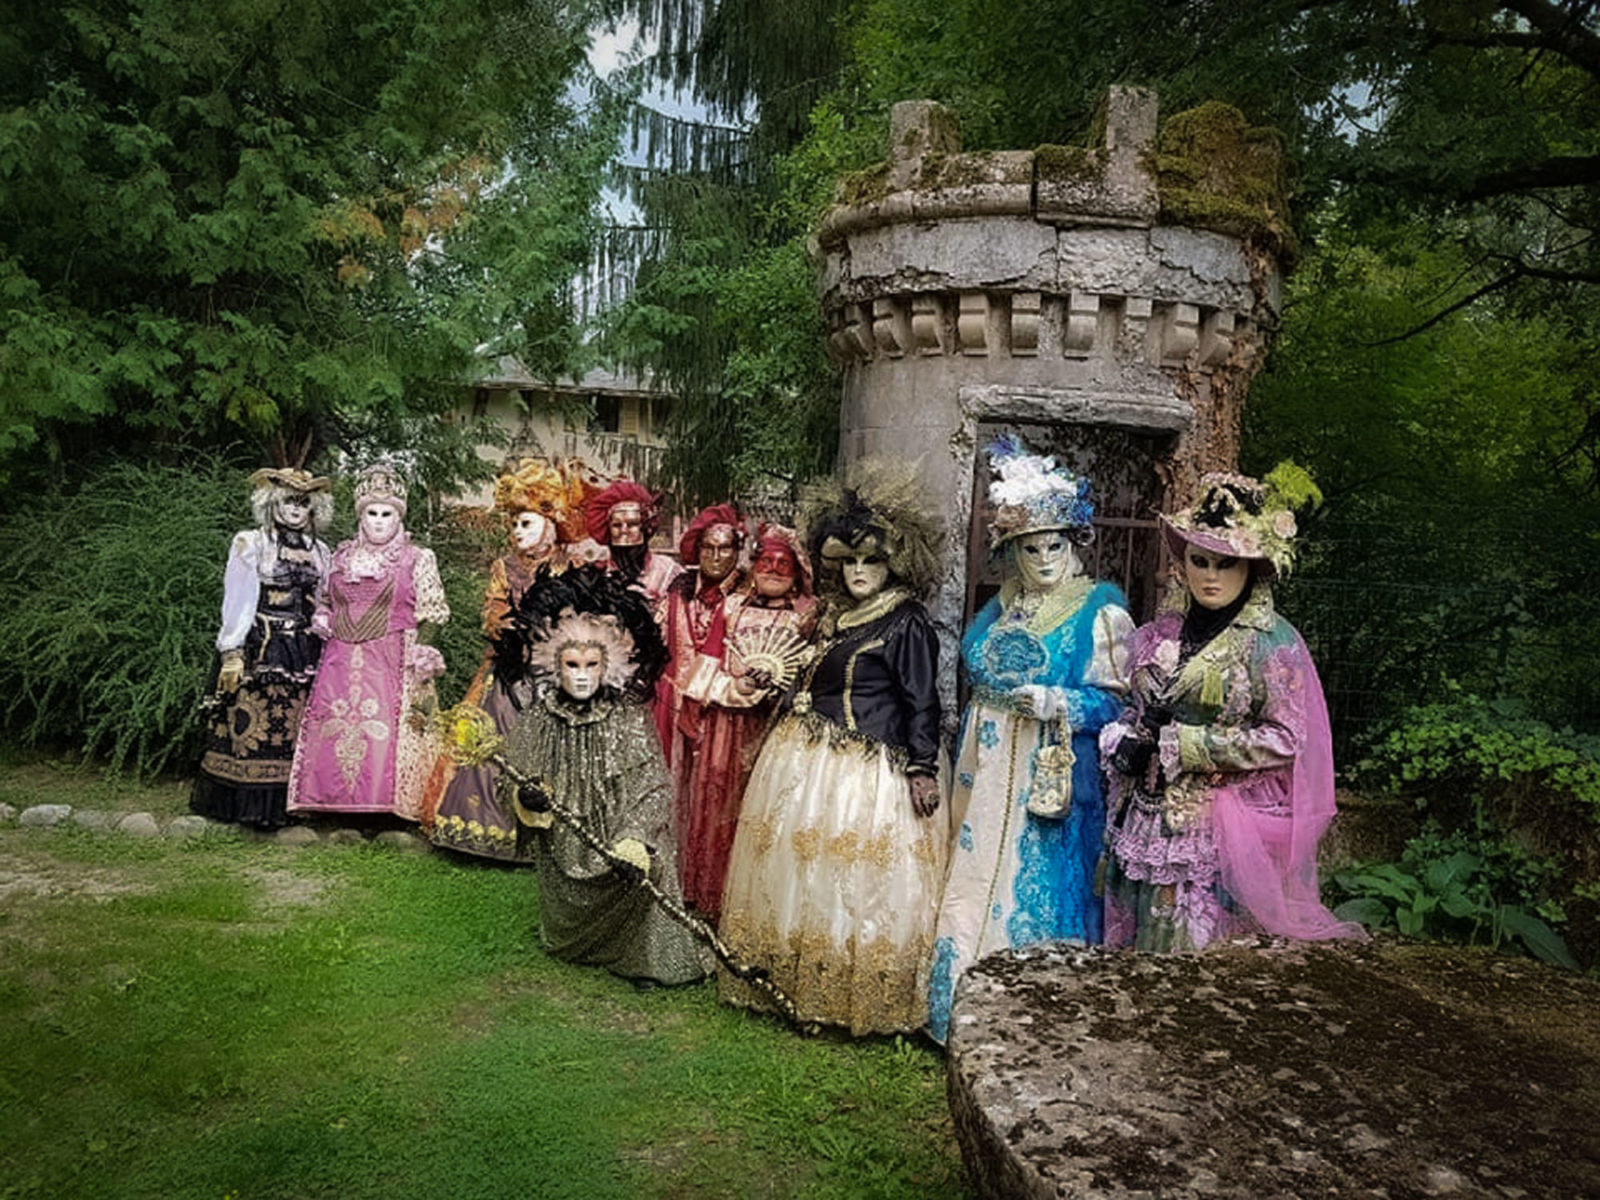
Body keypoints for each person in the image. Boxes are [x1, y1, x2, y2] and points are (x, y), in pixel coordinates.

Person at [1100, 467, 1366, 952]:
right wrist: (1125, 738)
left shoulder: (1271, 642)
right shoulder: (1161, 631)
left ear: (1251, 568)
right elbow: (1137, 707)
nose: (1210, 575)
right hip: (1145, 817)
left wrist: (1191, 745)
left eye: (1226, 564)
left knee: (1201, 954)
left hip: (1220, 829)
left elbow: (1288, 738)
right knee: (1137, 957)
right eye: (1200, 561)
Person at [719, 465, 946, 1035]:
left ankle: (849, 993)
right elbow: (816, 678)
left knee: (855, 883)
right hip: (808, 759)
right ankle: (792, 982)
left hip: (868, 771)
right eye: (850, 561)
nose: (859, 572)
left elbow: (922, 699)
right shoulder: (836, 616)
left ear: (895, 564)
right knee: (802, 874)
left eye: (872, 561)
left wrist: (922, 766)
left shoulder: (907, 623)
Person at [926, 436, 1133, 1043]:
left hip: (1048, 772)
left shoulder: (1101, 612)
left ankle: (1033, 1021)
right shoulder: (1005, 604)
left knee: (1036, 885)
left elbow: (1120, 703)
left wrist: (1057, 701)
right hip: (987, 772)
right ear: (1012, 552)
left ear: (1073, 544)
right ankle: (960, 1008)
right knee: (974, 877)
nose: (1043, 559)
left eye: (1054, 545)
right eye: (1030, 547)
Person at [495, 567, 712, 984]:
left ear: (607, 666)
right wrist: (526, 797)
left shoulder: (628, 718)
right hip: (564, 844)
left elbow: (653, 788)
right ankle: (578, 940)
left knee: (651, 867)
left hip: (618, 837)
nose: (581, 674)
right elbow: (511, 777)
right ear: (554, 666)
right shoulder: (539, 719)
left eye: (591, 664)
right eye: (572, 664)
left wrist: (634, 839)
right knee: (568, 922)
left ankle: (644, 956)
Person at [426, 458, 585, 859]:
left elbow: (583, 621)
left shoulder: (573, 567)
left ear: (550, 523)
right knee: (491, 737)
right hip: (508, 672)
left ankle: (548, 838)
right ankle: (486, 831)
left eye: (526, 523)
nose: (517, 532)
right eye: (513, 524)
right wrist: (505, 625)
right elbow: (493, 609)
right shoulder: (504, 567)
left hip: (558, 674)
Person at [288, 463, 450, 820]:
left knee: (390, 727)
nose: (378, 521)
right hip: (340, 659)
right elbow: (326, 599)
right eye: (371, 513)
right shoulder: (341, 557)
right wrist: (322, 615)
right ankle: (330, 801)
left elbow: (433, 611)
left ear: (399, 516)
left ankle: (390, 805)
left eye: (386, 514)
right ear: (360, 516)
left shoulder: (418, 558)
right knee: (334, 722)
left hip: (394, 656)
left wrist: (424, 649)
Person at [674, 523, 818, 922]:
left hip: (774, 725)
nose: (772, 570)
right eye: (765, 561)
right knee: (717, 803)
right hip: (725, 724)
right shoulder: (733, 607)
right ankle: (709, 896)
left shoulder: (808, 614)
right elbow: (709, 660)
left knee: (763, 807)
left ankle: (755, 904)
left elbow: (810, 668)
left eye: (782, 563)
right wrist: (726, 689)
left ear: (797, 572)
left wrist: (780, 688)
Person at [192, 467, 333, 829]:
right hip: (263, 646)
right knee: (255, 723)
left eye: (303, 502)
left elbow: (324, 602)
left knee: (298, 726)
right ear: (271, 502)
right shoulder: (251, 543)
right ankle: (251, 805)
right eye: (288, 501)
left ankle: (296, 803)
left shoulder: (320, 551)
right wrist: (232, 650)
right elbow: (238, 600)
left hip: (305, 648)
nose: (296, 509)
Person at [657, 503, 745, 757]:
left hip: (723, 714)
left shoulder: (748, 598)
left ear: (737, 552)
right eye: (708, 548)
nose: (716, 557)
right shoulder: (677, 593)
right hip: (672, 709)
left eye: (724, 548)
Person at [583, 479, 682, 605]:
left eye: (632, 524)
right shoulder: (595, 576)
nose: (624, 531)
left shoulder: (667, 571)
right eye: (617, 525)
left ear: (645, 526)